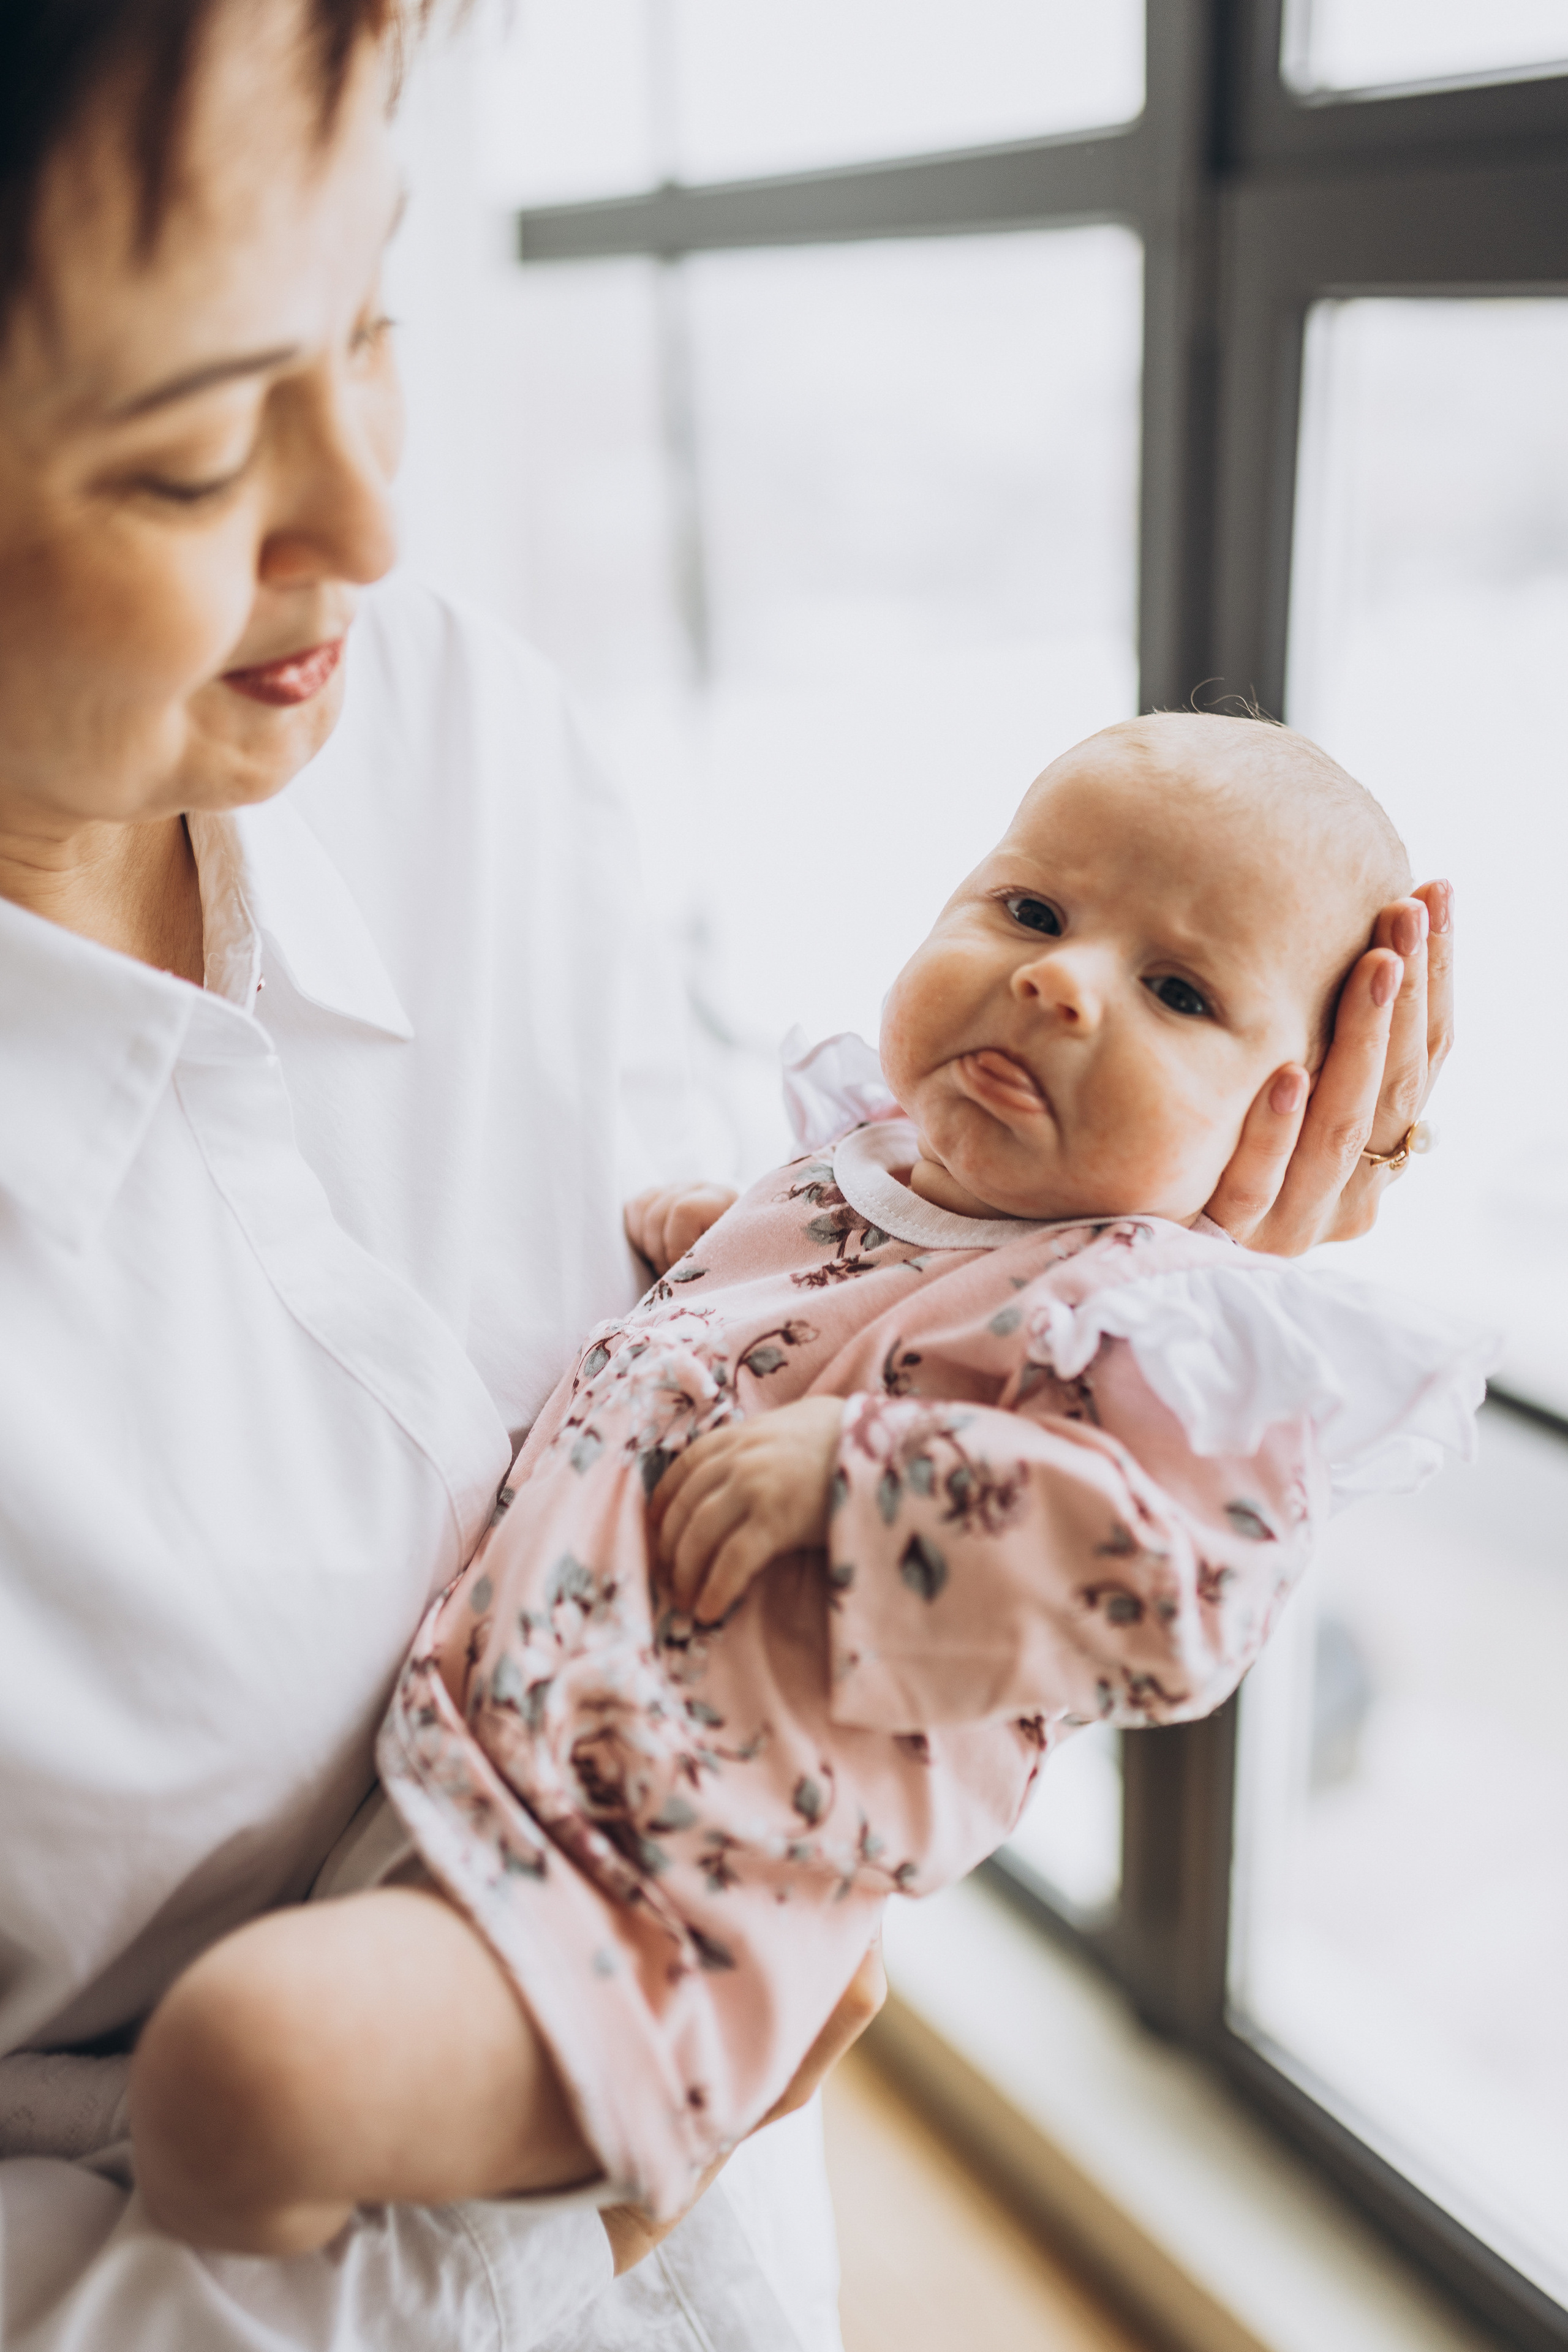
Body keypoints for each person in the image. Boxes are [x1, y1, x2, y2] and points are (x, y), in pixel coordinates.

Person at [0, 0, 1452, 2340]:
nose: (372, 516)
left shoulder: (448, 721)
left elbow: (893, 1417)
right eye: (183, 459)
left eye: (372, 311)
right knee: (238, 2087)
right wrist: (563, 2204)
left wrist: (1119, 1335)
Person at [124, 714, 1485, 2250]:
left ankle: (499, 2244)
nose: (1057, 977)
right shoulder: (879, 1177)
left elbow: (1177, 1596)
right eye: (1032, 909)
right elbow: (831, 1304)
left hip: (665, 1895)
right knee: (213, 2055)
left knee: (234, 2074)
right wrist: (721, 1263)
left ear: (1284, 1121)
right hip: (485, 1770)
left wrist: (870, 1477)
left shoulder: (1144, 1315)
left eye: (1176, 990)